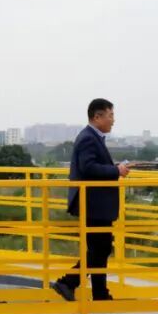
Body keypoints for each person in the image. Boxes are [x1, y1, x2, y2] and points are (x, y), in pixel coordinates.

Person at [51, 98, 130, 302]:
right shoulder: (88, 138)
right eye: (110, 115)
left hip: (96, 204)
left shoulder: (93, 137)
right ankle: (69, 282)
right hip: (93, 204)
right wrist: (116, 170)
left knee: (99, 249)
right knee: (100, 249)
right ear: (97, 117)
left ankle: (98, 293)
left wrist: (115, 169)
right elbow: (88, 167)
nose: (113, 120)